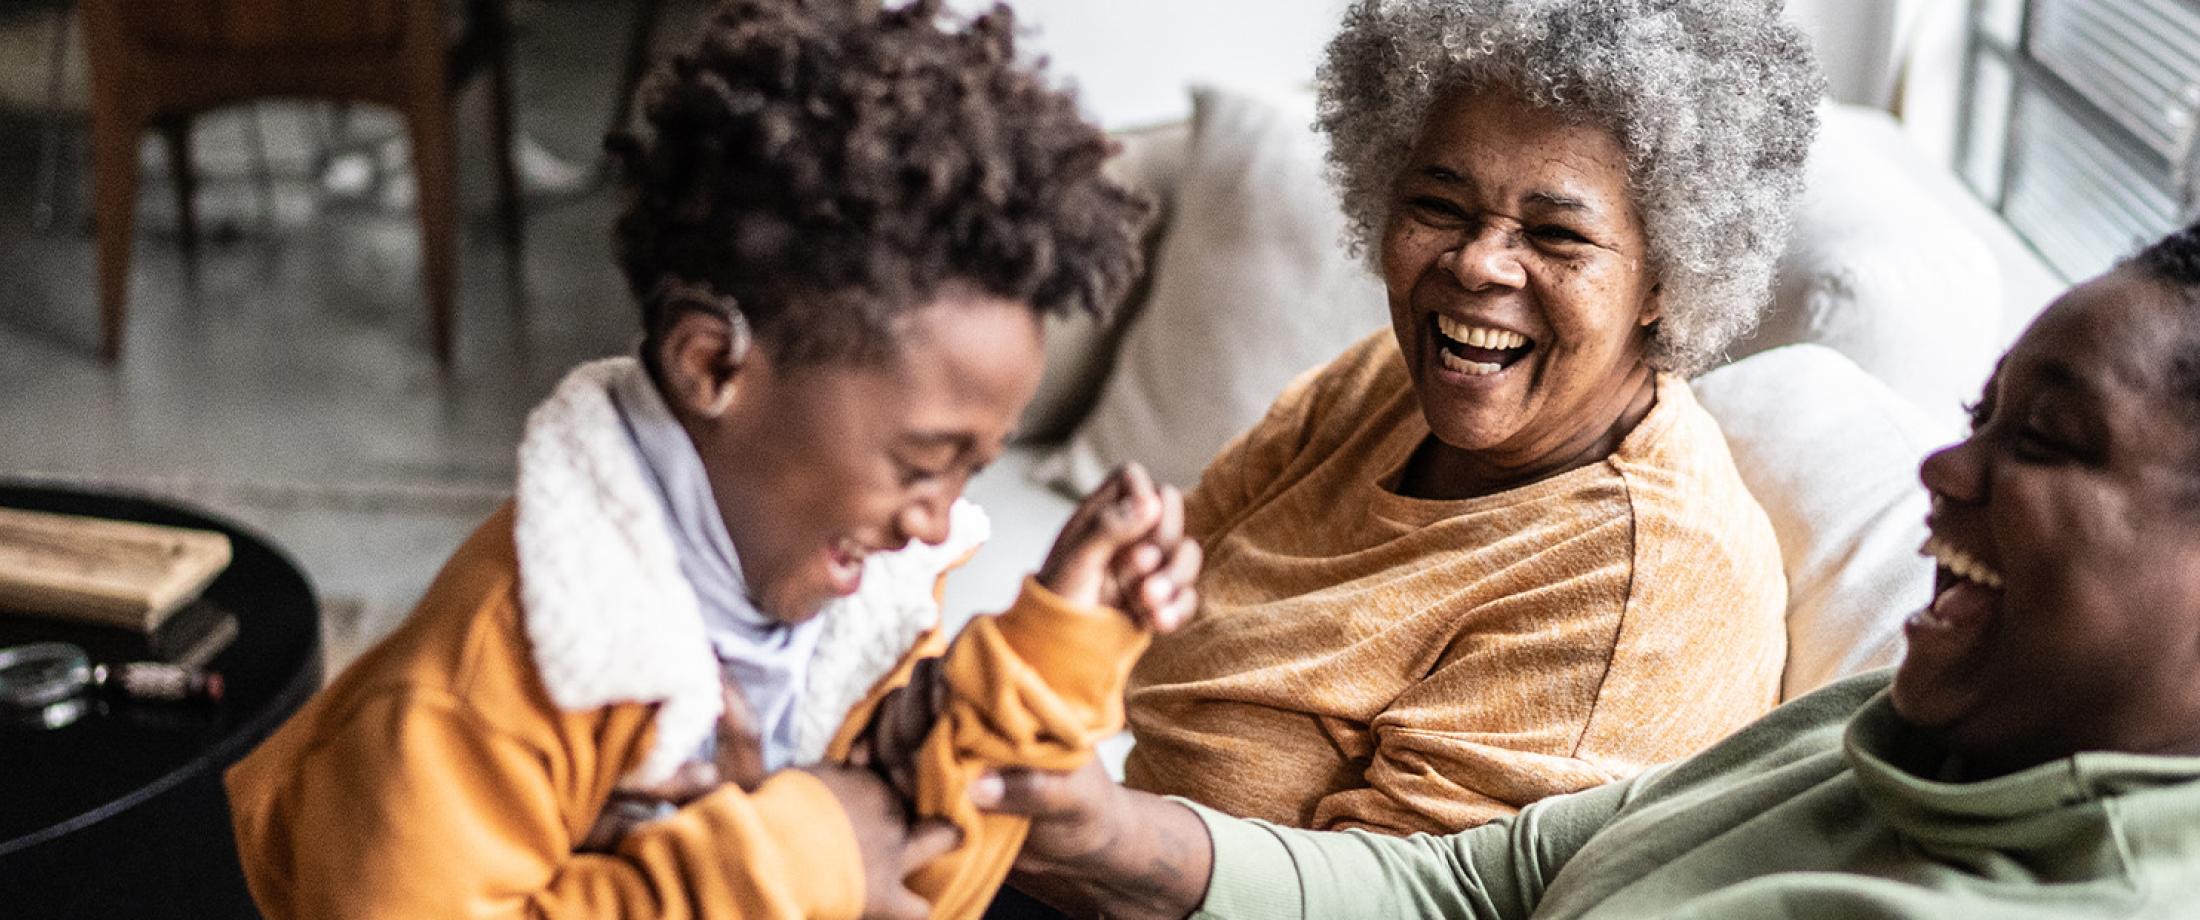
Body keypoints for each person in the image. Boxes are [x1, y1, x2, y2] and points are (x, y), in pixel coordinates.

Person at [222, 2, 1197, 918]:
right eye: (918, 462)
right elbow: (822, 859)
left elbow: (920, 884)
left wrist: (1049, 658)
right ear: (711, 363)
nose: (937, 523)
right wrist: (788, 856)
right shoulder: (484, 686)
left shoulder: (860, 609)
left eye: (971, 471)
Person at [978, 219, 2200, 919]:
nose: (1945, 468)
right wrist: (1103, 829)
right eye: (1976, 416)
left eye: (2040, 439)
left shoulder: (1642, 580)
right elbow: (1473, 879)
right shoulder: (1892, 724)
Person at [1119, 0, 1821, 835]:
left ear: (1666, 277)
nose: (1477, 263)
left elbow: (1389, 898)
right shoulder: (1388, 380)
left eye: (1557, 233)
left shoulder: (1639, 593)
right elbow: (1136, 604)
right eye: (1441, 207)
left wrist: (1070, 833)